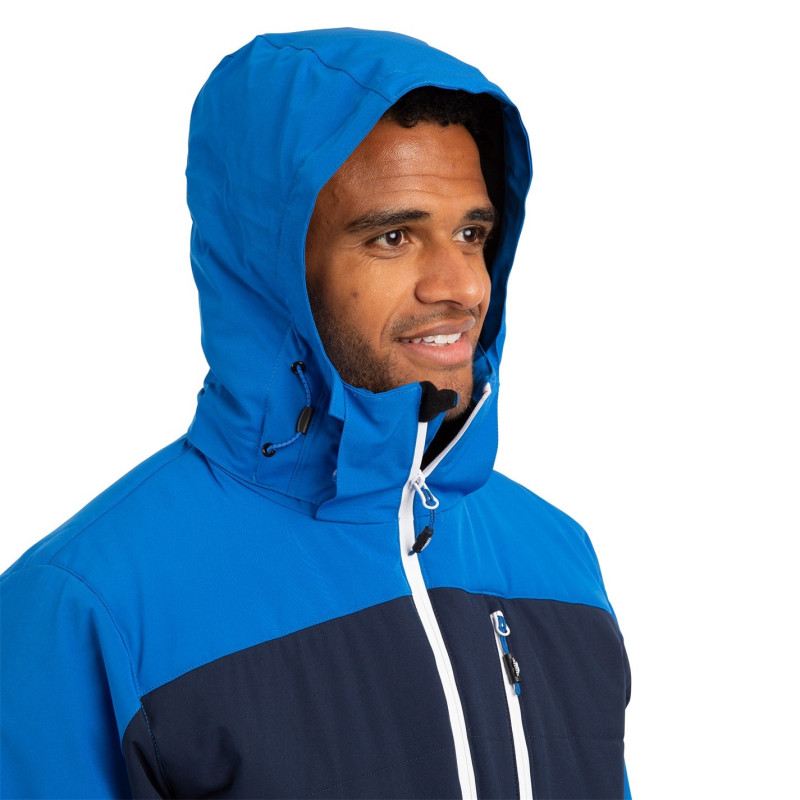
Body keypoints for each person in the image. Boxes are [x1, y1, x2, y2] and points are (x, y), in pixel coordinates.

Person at [0, 29, 631, 799]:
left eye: (472, 234)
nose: (463, 285)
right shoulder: (87, 612)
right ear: (270, 272)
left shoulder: (557, 559)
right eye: (394, 236)